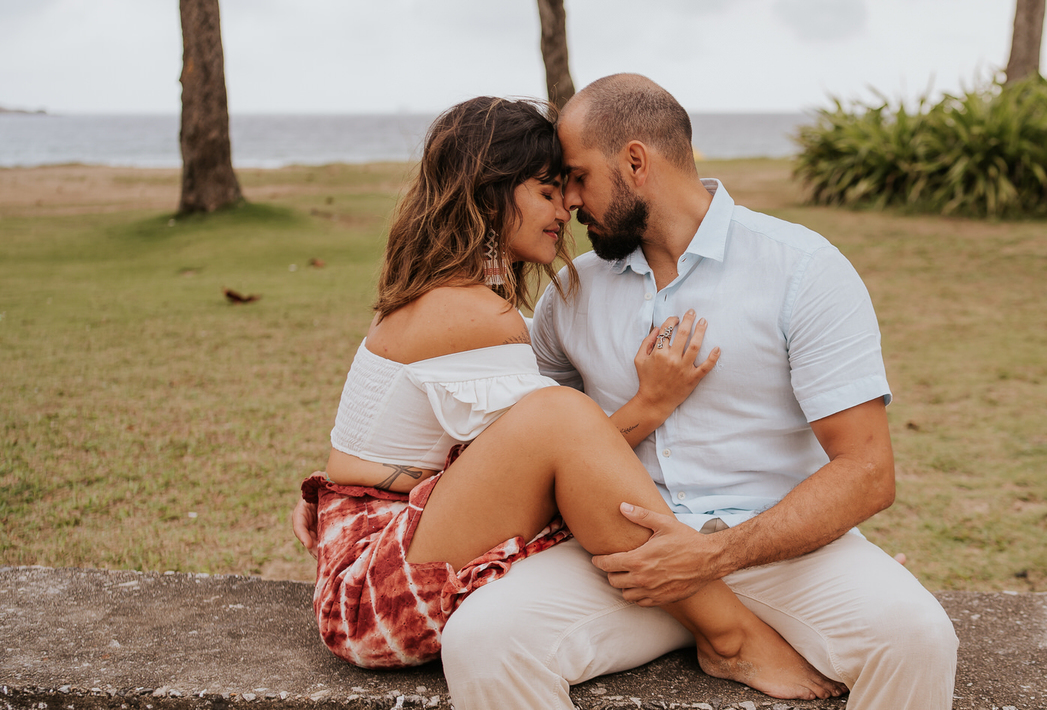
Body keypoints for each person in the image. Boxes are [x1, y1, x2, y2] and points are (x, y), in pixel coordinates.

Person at [432, 75, 960, 710]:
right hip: (620, 561)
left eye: (576, 176)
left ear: (635, 162)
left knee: (918, 639)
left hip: (783, 549)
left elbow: (868, 471)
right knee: (481, 642)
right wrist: (354, 493)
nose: (568, 201)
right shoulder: (569, 294)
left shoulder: (803, 269)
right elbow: (513, 448)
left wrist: (713, 556)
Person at [292, 95, 845, 700]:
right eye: (548, 189)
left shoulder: (450, 294)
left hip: (385, 547)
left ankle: (779, 601)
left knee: (567, 442)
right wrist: (651, 404)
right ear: (491, 192)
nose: (569, 208)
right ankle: (734, 636)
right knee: (559, 416)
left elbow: (504, 461)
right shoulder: (473, 311)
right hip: (373, 588)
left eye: (570, 186)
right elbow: (558, 450)